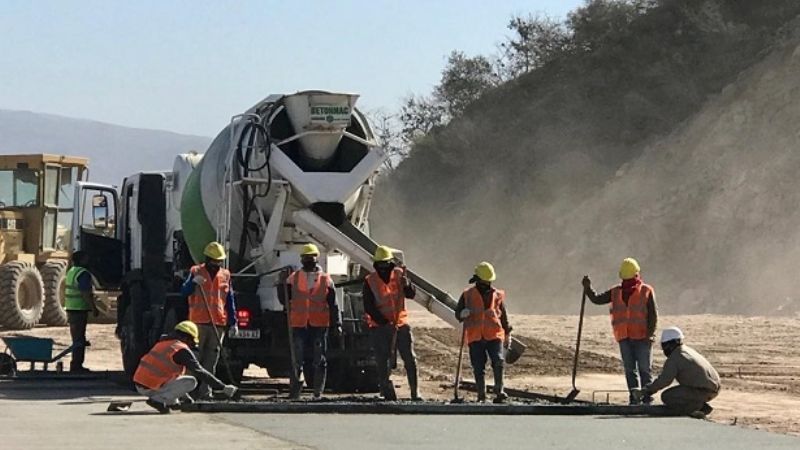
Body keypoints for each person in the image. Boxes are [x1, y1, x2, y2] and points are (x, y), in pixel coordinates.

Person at [582, 257, 658, 405]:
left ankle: (646, 398)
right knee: (635, 370)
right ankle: (636, 397)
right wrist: (587, 288)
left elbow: (653, 316)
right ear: (637, 273)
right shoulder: (615, 292)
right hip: (626, 337)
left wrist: (649, 335)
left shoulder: (646, 291)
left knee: (642, 370)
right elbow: (597, 299)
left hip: (641, 337)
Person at [279, 243, 342, 400]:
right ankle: (294, 391)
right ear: (301, 259)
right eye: (306, 258)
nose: (308, 260)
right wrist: (281, 284)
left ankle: (318, 392)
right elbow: (284, 300)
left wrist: (337, 324)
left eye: (311, 258)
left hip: (319, 325)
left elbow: (334, 304)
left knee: (319, 359)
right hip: (299, 324)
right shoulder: (293, 278)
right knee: (297, 359)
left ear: (316, 259)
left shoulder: (326, 279)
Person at [133, 320, 237, 413]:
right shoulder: (180, 349)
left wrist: (184, 397)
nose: (191, 346)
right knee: (191, 381)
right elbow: (199, 371)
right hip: (153, 385)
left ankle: (169, 401)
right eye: (192, 342)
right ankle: (158, 400)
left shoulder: (164, 343)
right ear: (186, 338)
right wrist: (223, 387)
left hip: (141, 384)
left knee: (180, 382)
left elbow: (171, 377)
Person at [180, 241, 237, 399]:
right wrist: (192, 283)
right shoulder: (196, 271)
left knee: (211, 361)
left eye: (219, 261)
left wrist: (233, 322)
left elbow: (230, 300)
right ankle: (187, 392)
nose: (216, 264)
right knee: (194, 359)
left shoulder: (225, 275)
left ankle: (206, 392)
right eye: (214, 260)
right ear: (207, 259)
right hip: (198, 323)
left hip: (218, 323)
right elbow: (184, 292)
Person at [363, 245, 420, 401]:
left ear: (390, 263)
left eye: (385, 264)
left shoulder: (400, 276)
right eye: (380, 265)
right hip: (380, 327)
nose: (383, 268)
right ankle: (385, 389)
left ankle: (415, 392)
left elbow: (411, 294)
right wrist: (384, 322)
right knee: (382, 360)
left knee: (409, 358)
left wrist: (407, 284)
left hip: (400, 324)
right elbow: (369, 306)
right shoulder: (370, 281)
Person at [454, 262, 512, 403]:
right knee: (478, 366)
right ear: (478, 279)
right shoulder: (467, 295)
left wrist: (508, 334)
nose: (488, 284)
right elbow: (457, 314)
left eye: (489, 281)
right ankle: (482, 395)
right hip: (475, 336)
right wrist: (462, 313)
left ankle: (499, 391)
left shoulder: (497, 295)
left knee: (498, 361)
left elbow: (503, 316)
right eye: (485, 281)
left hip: (494, 335)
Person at [634, 327, 721, 418]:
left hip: (703, 390)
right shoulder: (687, 350)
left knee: (668, 396)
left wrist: (646, 391)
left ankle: (696, 408)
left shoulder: (676, 357)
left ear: (672, 343)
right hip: (712, 388)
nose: (665, 349)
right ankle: (699, 406)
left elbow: (664, 380)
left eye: (665, 345)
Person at [64, 251, 99, 372]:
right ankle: (76, 365)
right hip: (79, 310)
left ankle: (76, 364)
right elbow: (85, 293)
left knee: (76, 338)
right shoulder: (83, 273)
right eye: (86, 258)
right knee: (79, 339)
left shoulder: (71, 271)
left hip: (71, 308)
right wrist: (94, 308)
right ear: (82, 260)